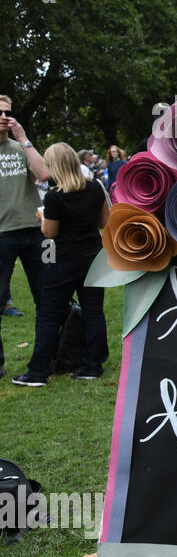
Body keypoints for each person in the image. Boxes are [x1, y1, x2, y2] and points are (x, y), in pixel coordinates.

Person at [10, 143, 109, 386]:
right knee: (94, 311)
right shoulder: (95, 188)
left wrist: (43, 218)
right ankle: (92, 365)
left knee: (49, 315)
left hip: (63, 260)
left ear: (54, 165)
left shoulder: (54, 196)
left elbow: (50, 233)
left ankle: (38, 371)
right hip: (93, 258)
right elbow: (105, 221)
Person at [0, 95, 52, 379]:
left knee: (46, 298)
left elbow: (44, 173)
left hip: (35, 232)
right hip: (1, 233)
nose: (4, 116)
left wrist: (24, 137)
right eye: (0, 112)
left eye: (8, 111)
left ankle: (45, 362)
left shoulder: (20, 147)